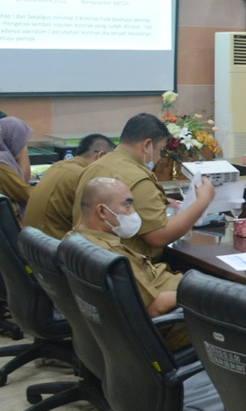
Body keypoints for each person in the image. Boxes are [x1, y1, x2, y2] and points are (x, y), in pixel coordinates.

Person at [71, 113, 216, 260]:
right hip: (128, 264)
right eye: (160, 150)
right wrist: (203, 200)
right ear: (147, 145)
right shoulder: (137, 178)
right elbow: (159, 237)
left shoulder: (94, 166)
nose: (159, 157)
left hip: (89, 258)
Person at [71, 177, 189, 350]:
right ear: (102, 211)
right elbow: (155, 307)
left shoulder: (76, 238)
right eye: (127, 205)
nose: (133, 213)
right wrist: (203, 295)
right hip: (172, 321)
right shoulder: (109, 256)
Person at [23, 133, 115, 239]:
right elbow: (91, 226)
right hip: (54, 243)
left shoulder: (57, 166)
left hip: (33, 240)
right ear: (101, 156)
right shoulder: (84, 175)